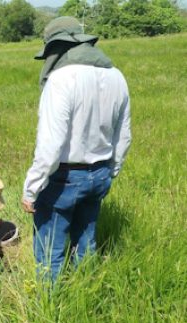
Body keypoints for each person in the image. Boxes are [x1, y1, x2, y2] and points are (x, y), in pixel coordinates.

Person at [22, 17, 132, 282]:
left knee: (51, 252)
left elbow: (51, 144)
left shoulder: (60, 79)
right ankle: (87, 292)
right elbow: (124, 135)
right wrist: (111, 170)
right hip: (100, 173)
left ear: (56, 47)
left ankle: (50, 312)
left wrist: (31, 188)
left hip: (64, 178)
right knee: (86, 242)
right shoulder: (116, 75)